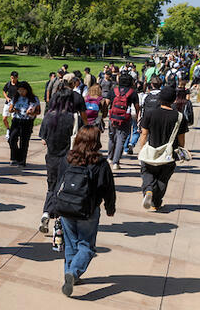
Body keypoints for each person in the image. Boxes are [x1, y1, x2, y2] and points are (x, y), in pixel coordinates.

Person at [58, 125, 116, 296]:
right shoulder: (100, 163)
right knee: (86, 246)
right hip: (88, 210)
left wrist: (54, 205)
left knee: (70, 243)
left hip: (66, 208)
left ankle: (70, 274)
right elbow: (108, 188)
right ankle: (73, 272)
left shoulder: (68, 158)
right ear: (96, 142)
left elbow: (58, 183)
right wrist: (110, 207)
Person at [134, 86, 189, 212]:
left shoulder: (150, 113)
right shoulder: (179, 117)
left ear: (159, 99)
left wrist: (142, 148)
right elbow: (181, 138)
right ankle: (155, 203)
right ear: (174, 100)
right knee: (162, 179)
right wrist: (181, 149)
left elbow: (144, 134)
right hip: (169, 154)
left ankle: (148, 190)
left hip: (151, 149)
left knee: (147, 172)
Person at [39, 91, 78, 233]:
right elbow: (74, 137)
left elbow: (43, 140)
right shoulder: (72, 117)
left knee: (51, 187)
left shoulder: (48, 116)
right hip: (66, 157)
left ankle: (46, 213)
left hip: (52, 156)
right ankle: (58, 222)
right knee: (62, 190)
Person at [105, 74, 139, 169]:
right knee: (121, 139)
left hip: (112, 117)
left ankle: (110, 157)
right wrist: (137, 116)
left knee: (112, 137)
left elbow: (106, 103)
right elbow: (137, 107)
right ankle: (116, 162)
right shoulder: (132, 92)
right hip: (124, 119)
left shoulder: (113, 90)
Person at [7, 82, 40, 167]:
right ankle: (15, 156)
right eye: (19, 90)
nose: (21, 92)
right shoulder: (16, 97)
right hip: (16, 120)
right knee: (12, 139)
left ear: (27, 90)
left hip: (27, 121)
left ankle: (22, 160)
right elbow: (10, 109)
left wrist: (32, 113)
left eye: (22, 90)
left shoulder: (34, 99)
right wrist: (14, 109)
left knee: (24, 142)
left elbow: (38, 111)